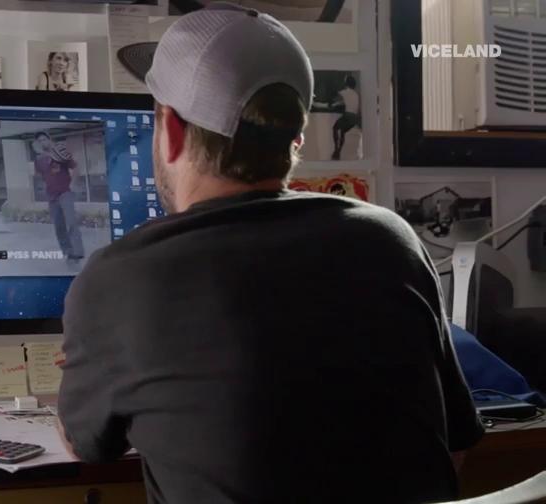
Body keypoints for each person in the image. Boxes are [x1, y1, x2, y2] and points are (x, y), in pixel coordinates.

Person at [57, 4, 483, 504]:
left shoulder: (120, 278)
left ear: (169, 130)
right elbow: (454, 446)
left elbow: (88, 447)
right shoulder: (390, 239)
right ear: (295, 140)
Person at [33, 132, 84, 260]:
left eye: (44, 139)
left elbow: (75, 167)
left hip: (65, 192)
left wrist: (73, 183)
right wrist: (44, 187)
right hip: (51, 196)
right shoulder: (39, 159)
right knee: (58, 226)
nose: (43, 142)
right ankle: (67, 251)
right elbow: (39, 175)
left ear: (50, 139)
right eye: (40, 141)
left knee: (71, 222)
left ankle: (78, 251)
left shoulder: (59, 153)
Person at [331, 74, 360, 160]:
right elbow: (348, 101)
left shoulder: (344, 92)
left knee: (335, 128)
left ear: (346, 83)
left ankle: (336, 149)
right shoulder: (356, 94)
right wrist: (338, 103)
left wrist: (334, 103)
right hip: (355, 118)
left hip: (348, 116)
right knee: (342, 131)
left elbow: (335, 97)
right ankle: (338, 151)